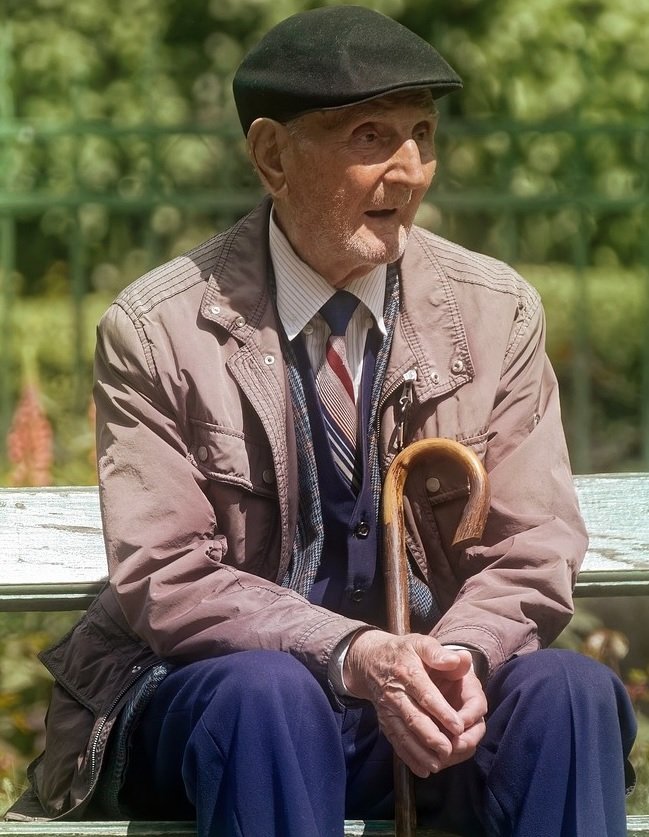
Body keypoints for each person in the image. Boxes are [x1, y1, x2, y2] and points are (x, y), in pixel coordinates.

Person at [9, 6, 636, 836]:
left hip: (425, 710)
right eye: (373, 137)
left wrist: (458, 661)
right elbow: (169, 575)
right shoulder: (158, 327)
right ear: (272, 155)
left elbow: (533, 546)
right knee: (271, 696)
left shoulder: (496, 312)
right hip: (226, 714)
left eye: (422, 133)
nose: (410, 169)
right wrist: (353, 654)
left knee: (569, 694)